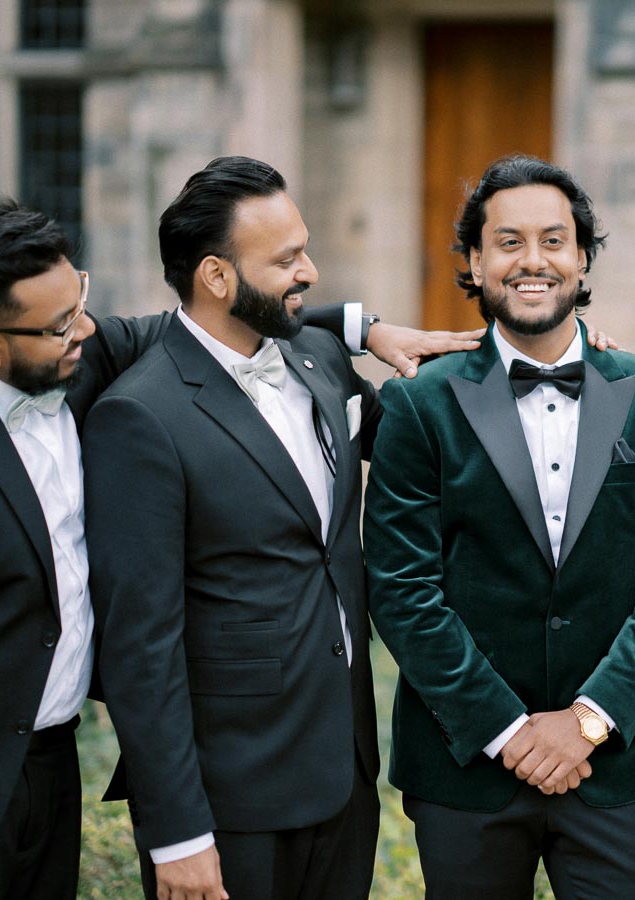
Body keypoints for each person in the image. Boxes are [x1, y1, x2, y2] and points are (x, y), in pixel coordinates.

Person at [0, 193, 477, 900]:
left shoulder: (71, 351)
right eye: (63, 324)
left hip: (52, 766)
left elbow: (199, 324)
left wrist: (358, 328)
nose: (87, 329)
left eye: (83, 300)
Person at [362, 155, 635, 899]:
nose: (533, 261)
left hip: (615, 765)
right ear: (477, 260)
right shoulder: (418, 405)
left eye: (554, 241)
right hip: (467, 768)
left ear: (582, 260)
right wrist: (510, 731)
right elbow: (401, 588)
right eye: (509, 241)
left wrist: (588, 719)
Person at [82, 155, 411, 900]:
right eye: (287, 259)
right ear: (217, 277)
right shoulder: (140, 417)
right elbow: (142, 647)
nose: (312, 272)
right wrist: (177, 834)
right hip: (228, 805)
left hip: (344, 775)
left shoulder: (320, 358)